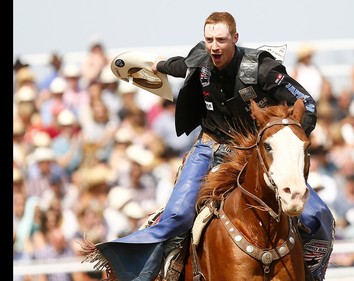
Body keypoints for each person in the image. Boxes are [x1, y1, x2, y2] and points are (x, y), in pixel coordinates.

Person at [82, 12, 334, 281]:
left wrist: (290, 141)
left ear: (235, 38)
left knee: (319, 217)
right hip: (209, 148)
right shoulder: (200, 61)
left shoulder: (263, 69)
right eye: (209, 39)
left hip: (256, 152)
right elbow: (179, 66)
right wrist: (158, 64)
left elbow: (306, 102)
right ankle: (152, 273)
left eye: (221, 40)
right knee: (177, 215)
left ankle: (311, 274)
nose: (214, 46)